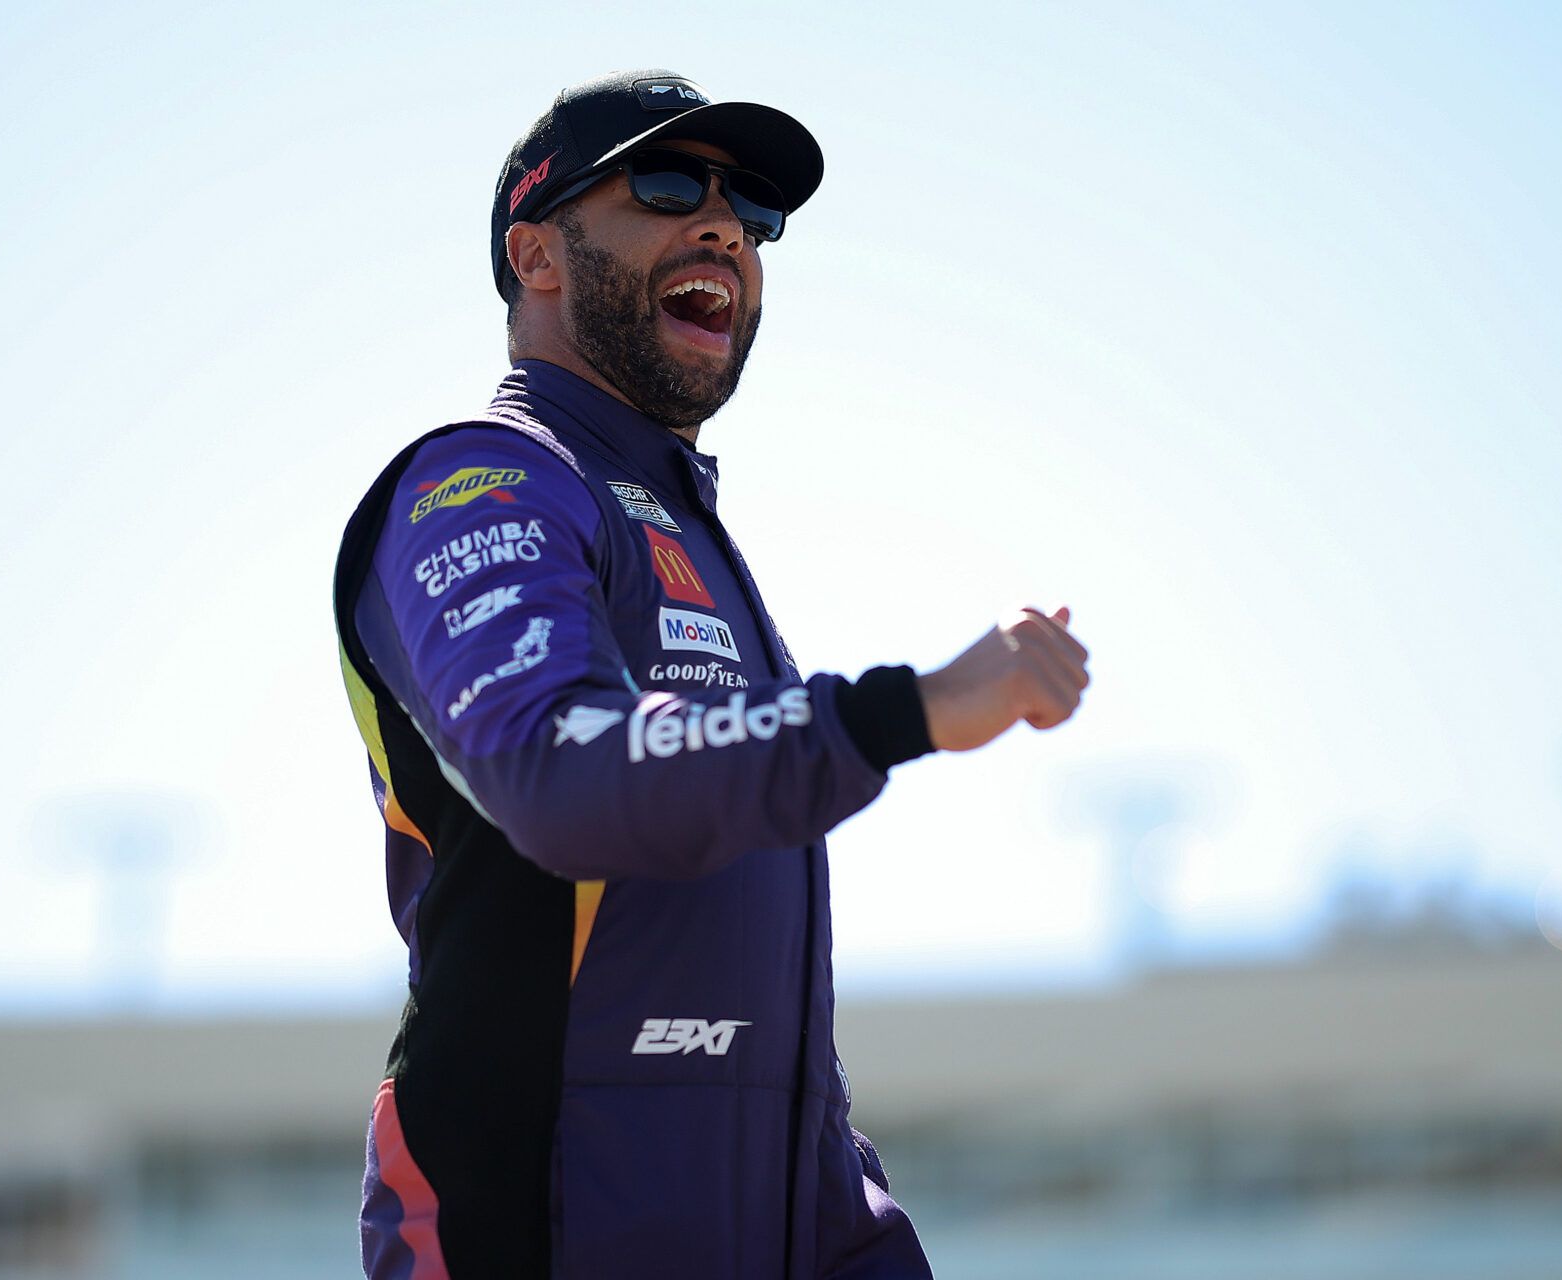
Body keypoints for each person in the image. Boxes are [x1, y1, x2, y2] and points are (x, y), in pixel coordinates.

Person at [333, 68, 1090, 1280]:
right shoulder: (484, 479)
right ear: (537, 254)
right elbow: (555, 773)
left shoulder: (682, 527)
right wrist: (911, 707)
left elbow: (763, 1061)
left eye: (752, 210)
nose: (725, 225)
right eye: (667, 183)